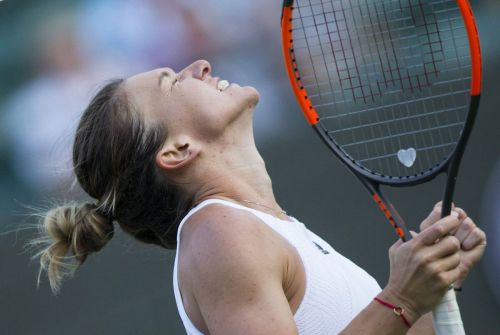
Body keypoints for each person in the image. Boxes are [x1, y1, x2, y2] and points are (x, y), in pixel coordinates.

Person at [30, 60, 487, 334]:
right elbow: (395, 311)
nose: (201, 66)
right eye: (173, 81)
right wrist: (401, 299)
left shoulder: (263, 229)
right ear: (176, 151)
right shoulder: (219, 233)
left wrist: (431, 288)